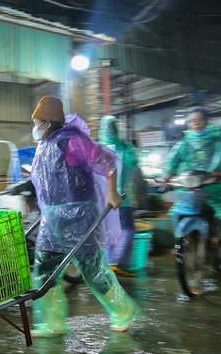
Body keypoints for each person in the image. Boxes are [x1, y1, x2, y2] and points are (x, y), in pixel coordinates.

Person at [29, 96, 142, 336]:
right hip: (53, 217)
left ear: (49, 122)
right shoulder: (45, 145)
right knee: (44, 269)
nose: (35, 127)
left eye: (38, 121)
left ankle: (124, 310)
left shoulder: (73, 140)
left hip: (80, 215)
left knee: (92, 270)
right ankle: (52, 321)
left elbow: (108, 160)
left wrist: (111, 192)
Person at [163, 108, 221, 258]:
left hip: (215, 185)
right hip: (190, 185)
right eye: (192, 121)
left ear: (206, 121)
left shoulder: (220, 141)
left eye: (199, 119)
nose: (196, 123)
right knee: (176, 211)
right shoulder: (184, 143)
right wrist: (167, 174)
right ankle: (180, 241)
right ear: (189, 124)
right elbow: (173, 160)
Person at [99, 115, 145, 277]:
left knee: (108, 230)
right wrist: (141, 192)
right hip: (123, 199)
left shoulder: (98, 148)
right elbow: (137, 173)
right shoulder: (127, 149)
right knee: (127, 229)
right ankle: (119, 262)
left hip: (102, 200)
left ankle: (110, 263)